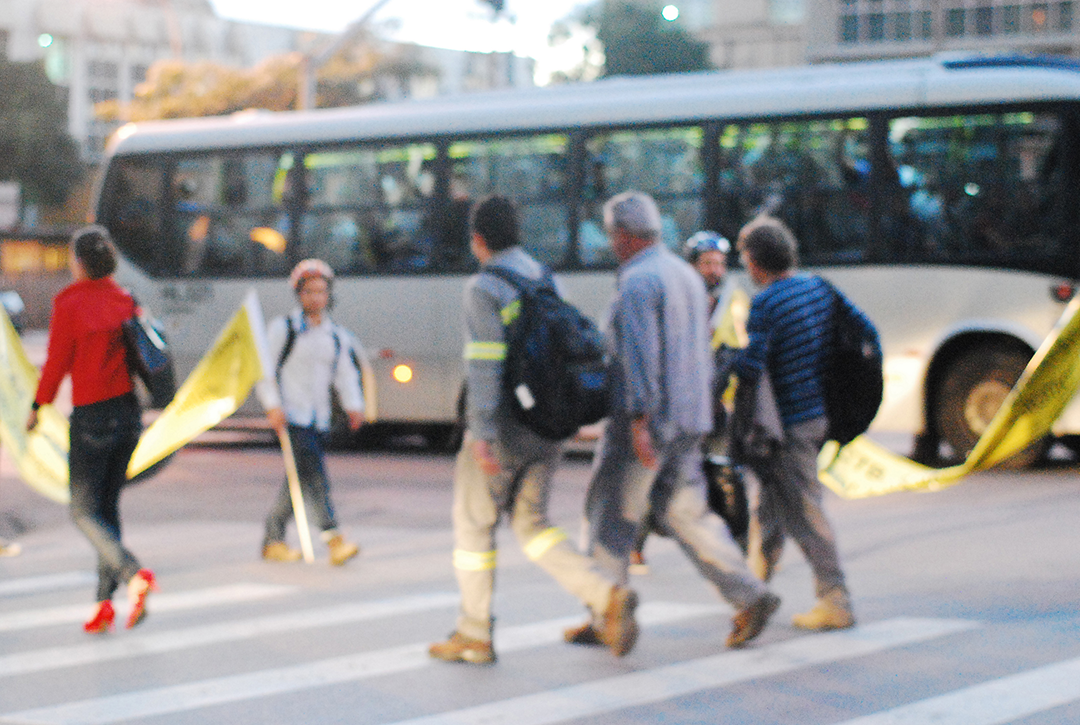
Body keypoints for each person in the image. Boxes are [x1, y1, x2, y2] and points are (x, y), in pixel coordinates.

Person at [428, 195, 637, 666]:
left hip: (504, 430)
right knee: (533, 525)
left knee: (473, 527)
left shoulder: (483, 287)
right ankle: (606, 595)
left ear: (477, 240)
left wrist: (480, 434)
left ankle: (474, 633)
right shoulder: (544, 276)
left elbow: (485, 364)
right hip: (547, 425)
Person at [568, 191, 780, 651]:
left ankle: (606, 611)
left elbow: (640, 356)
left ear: (623, 235)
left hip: (648, 421)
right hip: (690, 416)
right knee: (688, 514)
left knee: (609, 516)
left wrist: (640, 421)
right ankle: (749, 594)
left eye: (611, 235)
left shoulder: (638, 282)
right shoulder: (684, 275)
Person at [26, 225, 156, 634]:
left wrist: (37, 407)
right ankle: (104, 605)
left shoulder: (70, 302)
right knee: (107, 508)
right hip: (129, 416)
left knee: (82, 511)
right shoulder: (126, 300)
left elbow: (56, 362)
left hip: (92, 419)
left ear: (78, 263)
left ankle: (134, 573)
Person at [732, 215, 856, 631]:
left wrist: (728, 361)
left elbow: (753, 364)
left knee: (805, 511)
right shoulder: (817, 287)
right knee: (767, 509)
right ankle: (753, 592)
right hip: (816, 413)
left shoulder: (766, 303)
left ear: (755, 261)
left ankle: (835, 599)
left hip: (785, 425)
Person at [628, 230, 741, 572]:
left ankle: (734, 548)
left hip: (718, 405)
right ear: (692, 266)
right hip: (680, 405)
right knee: (662, 477)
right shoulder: (675, 297)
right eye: (707, 263)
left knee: (722, 475)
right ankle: (636, 545)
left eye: (719, 264)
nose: (714, 270)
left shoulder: (733, 303)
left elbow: (739, 350)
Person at [256, 259, 364, 567]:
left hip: (319, 418)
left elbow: (345, 374)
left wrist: (354, 405)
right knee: (315, 477)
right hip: (292, 416)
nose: (315, 298)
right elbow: (264, 371)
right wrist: (272, 405)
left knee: (299, 480)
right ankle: (334, 539)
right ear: (298, 295)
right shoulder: (284, 329)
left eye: (320, 291)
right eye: (308, 292)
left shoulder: (337, 336)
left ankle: (272, 539)